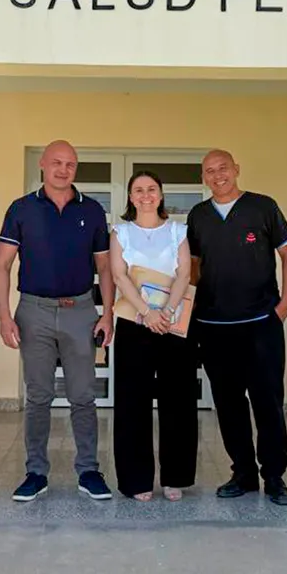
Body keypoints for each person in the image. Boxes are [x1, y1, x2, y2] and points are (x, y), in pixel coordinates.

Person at [0, 140, 115, 502]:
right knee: (39, 396)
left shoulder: (92, 210)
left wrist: (107, 313)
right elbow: (2, 265)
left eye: (71, 165)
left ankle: (89, 470)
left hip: (80, 310)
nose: (64, 170)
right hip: (34, 311)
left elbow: (105, 267)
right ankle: (35, 473)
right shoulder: (21, 209)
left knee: (82, 396)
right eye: (57, 163)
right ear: (43, 166)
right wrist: (4, 316)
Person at [186, 149, 287, 506]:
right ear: (203, 178)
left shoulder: (263, 207)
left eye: (223, 168)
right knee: (228, 404)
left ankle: (275, 477)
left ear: (236, 170)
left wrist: (285, 305)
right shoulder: (198, 215)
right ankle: (244, 473)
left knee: (267, 402)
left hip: (261, 323)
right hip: (214, 325)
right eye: (210, 171)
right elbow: (192, 268)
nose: (218, 175)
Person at [110, 170, 199, 501]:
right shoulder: (122, 232)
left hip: (174, 322)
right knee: (133, 401)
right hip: (136, 322)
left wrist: (167, 312)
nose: (145, 195)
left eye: (151, 189)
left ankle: (175, 477)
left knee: (178, 399)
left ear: (160, 195)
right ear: (131, 197)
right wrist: (147, 313)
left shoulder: (178, 230)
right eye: (138, 190)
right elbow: (119, 275)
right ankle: (137, 480)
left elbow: (184, 272)